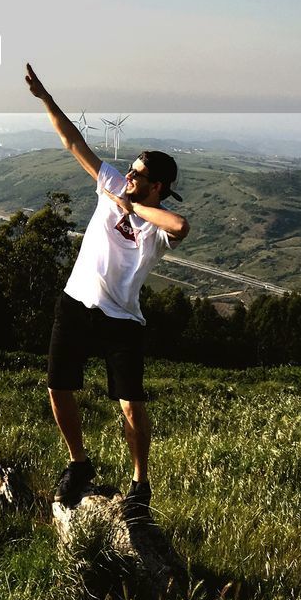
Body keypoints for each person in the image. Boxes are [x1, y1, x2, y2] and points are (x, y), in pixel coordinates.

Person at [25, 63, 190, 520]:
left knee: (131, 407)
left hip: (122, 320)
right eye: (130, 171)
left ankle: (141, 483)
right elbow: (73, 141)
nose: (128, 176)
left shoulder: (154, 227)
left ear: (157, 186)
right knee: (59, 386)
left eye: (138, 175)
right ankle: (78, 464)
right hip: (75, 303)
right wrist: (44, 97)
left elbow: (180, 224)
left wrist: (132, 205)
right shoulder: (113, 184)